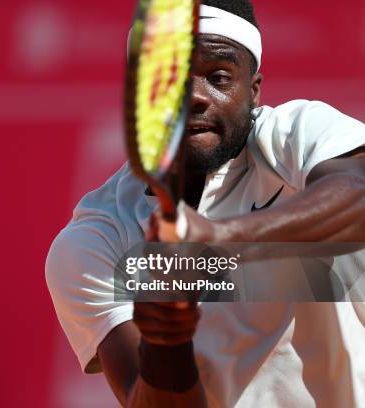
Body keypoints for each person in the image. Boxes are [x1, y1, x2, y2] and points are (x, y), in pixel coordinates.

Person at [45, 0, 365, 407]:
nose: (194, 95)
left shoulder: (297, 134)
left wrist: (219, 240)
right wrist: (167, 340)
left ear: (253, 91)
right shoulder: (96, 239)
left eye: (218, 76)